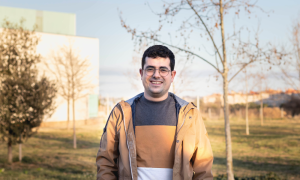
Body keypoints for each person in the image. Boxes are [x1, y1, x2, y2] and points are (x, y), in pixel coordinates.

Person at [96, 45, 213, 180]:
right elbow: (105, 162)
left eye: (163, 70)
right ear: (141, 73)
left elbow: (203, 167)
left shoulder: (190, 115)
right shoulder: (121, 112)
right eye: (150, 69)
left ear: (172, 75)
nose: (156, 75)